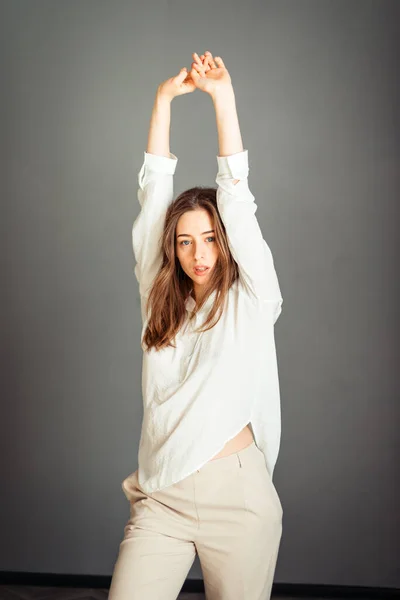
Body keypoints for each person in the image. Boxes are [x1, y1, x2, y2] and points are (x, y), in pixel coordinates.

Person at [108, 50, 284, 600]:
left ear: (226, 242)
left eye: (209, 238)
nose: (198, 252)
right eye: (185, 241)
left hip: (238, 497)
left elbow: (236, 193)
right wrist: (163, 101)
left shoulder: (252, 296)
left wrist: (220, 97)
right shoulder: (157, 299)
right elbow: (153, 193)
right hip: (163, 493)